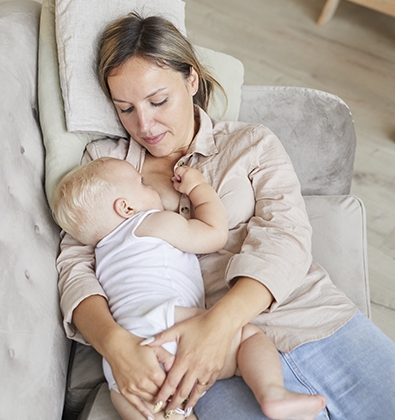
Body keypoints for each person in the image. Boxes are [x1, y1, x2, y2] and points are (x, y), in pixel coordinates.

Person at [56, 12, 395, 420]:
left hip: (310, 319)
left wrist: (216, 327)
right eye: (125, 108)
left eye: (158, 100)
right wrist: (115, 345)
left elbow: (286, 236)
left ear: (192, 80)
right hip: (201, 368)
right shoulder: (105, 167)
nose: (143, 124)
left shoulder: (250, 143)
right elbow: (75, 265)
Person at [52, 157, 326, 420]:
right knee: (249, 338)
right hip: (166, 319)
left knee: (148, 406)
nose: (150, 186)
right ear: (126, 208)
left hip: (125, 355)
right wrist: (198, 189)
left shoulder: (102, 255)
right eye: (143, 184)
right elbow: (213, 234)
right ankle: (272, 393)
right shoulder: (149, 223)